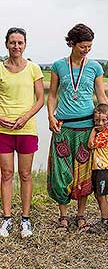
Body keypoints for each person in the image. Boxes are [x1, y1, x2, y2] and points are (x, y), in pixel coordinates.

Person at [47, 23, 108, 231]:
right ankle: (63, 216)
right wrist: (50, 116)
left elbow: (101, 96)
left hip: (87, 128)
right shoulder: (58, 66)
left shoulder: (95, 67)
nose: (86, 50)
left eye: (89, 46)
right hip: (63, 128)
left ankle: (81, 215)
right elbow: (52, 96)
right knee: (61, 173)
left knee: (83, 173)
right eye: (83, 46)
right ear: (72, 43)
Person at [0, 27, 44, 238]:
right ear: (6, 44)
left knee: (25, 174)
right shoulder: (0, 69)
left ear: (25, 45)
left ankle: (25, 219)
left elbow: (41, 99)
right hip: (3, 129)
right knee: (6, 174)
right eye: (12, 42)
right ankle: (7, 218)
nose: (16, 46)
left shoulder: (34, 69)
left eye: (20, 42)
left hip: (26, 129)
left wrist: (25, 117)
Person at [88, 103, 108, 231]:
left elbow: (91, 144)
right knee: (98, 195)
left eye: (104, 120)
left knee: (101, 195)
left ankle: (106, 220)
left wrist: (93, 131)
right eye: (97, 120)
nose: (100, 123)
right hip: (97, 168)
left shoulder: (106, 132)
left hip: (104, 168)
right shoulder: (102, 130)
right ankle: (104, 218)